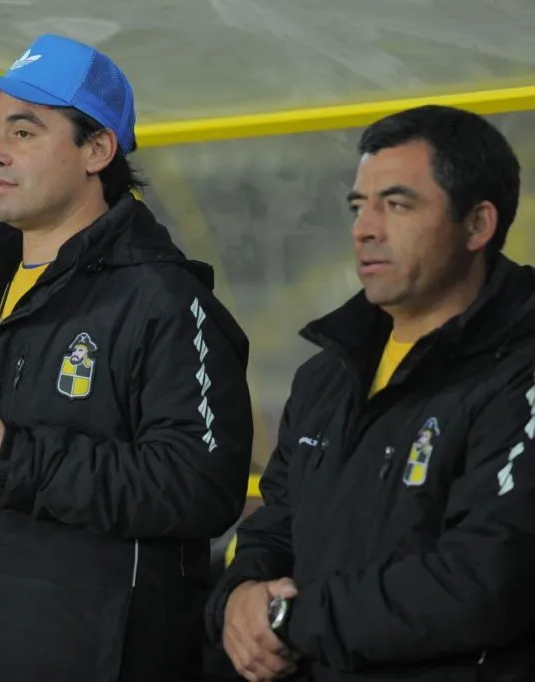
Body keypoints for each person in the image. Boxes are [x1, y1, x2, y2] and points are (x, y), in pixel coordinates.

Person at [0, 33, 254, 682]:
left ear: (97, 149)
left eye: (24, 132)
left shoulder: (165, 302)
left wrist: (21, 463)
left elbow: (203, 486)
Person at [206, 104, 535, 681]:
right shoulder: (327, 375)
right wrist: (238, 597)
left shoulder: (519, 373)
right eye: (360, 206)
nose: (365, 228)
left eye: (398, 204)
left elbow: (487, 579)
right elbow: (275, 521)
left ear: (478, 225)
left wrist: (288, 618)